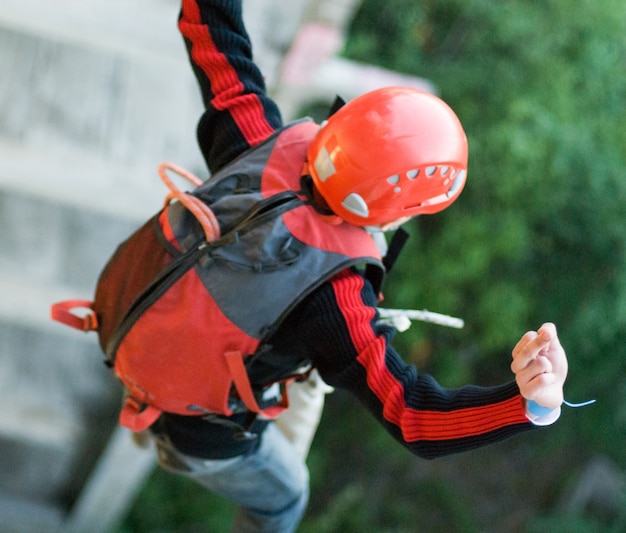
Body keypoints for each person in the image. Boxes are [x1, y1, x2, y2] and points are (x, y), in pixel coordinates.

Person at [148, 1, 569, 531]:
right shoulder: (337, 301)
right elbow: (415, 416)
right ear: (397, 210)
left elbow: (214, 36)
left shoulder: (254, 140)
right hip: (198, 426)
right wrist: (532, 405)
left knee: (298, 386)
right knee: (284, 498)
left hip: (148, 321)